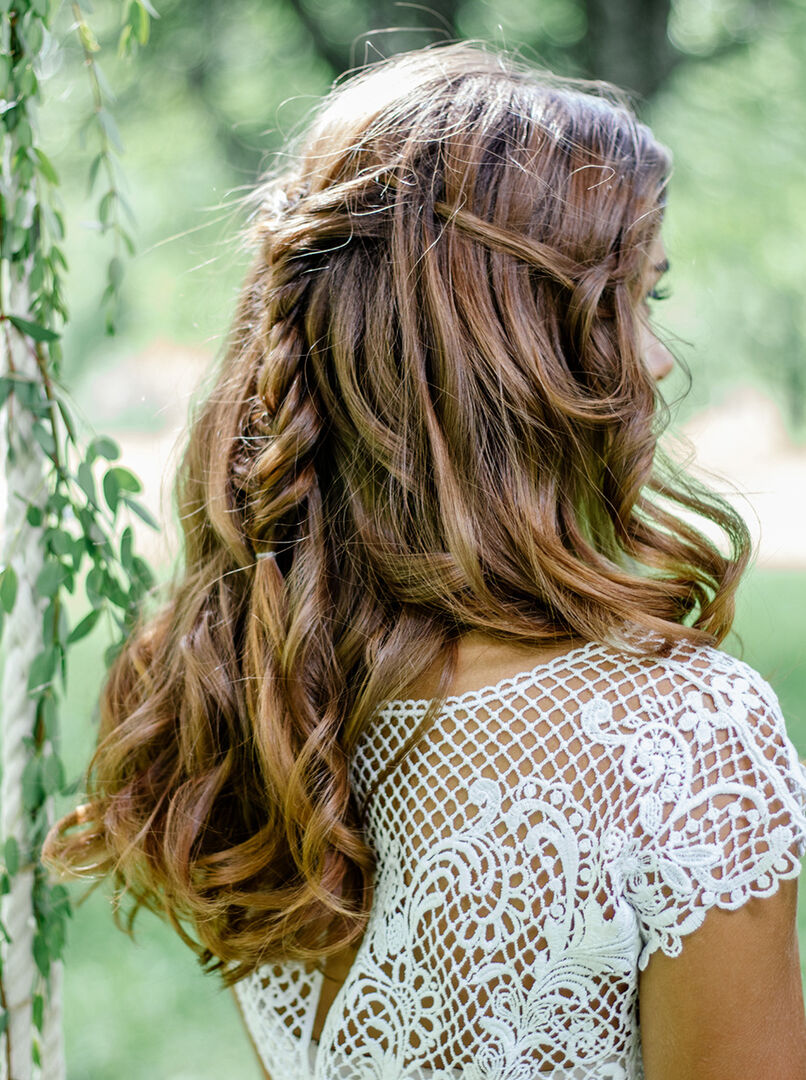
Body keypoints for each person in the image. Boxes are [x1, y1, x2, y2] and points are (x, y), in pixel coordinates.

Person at [42, 42, 806, 1080]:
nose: (657, 358)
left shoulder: (263, 698)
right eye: (621, 303)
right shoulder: (681, 739)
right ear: (503, 355)